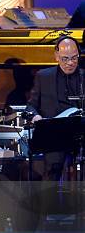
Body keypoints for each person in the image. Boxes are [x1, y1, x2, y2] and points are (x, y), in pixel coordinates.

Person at [26, 36, 83, 180]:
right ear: (56, 56)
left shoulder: (83, 77)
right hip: (55, 136)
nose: (70, 63)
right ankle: (50, 202)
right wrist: (36, 117)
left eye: (74, 58)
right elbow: (30, 106)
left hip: (81, 135)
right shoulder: (43, 76)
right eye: (65, 58)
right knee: (52, 169)